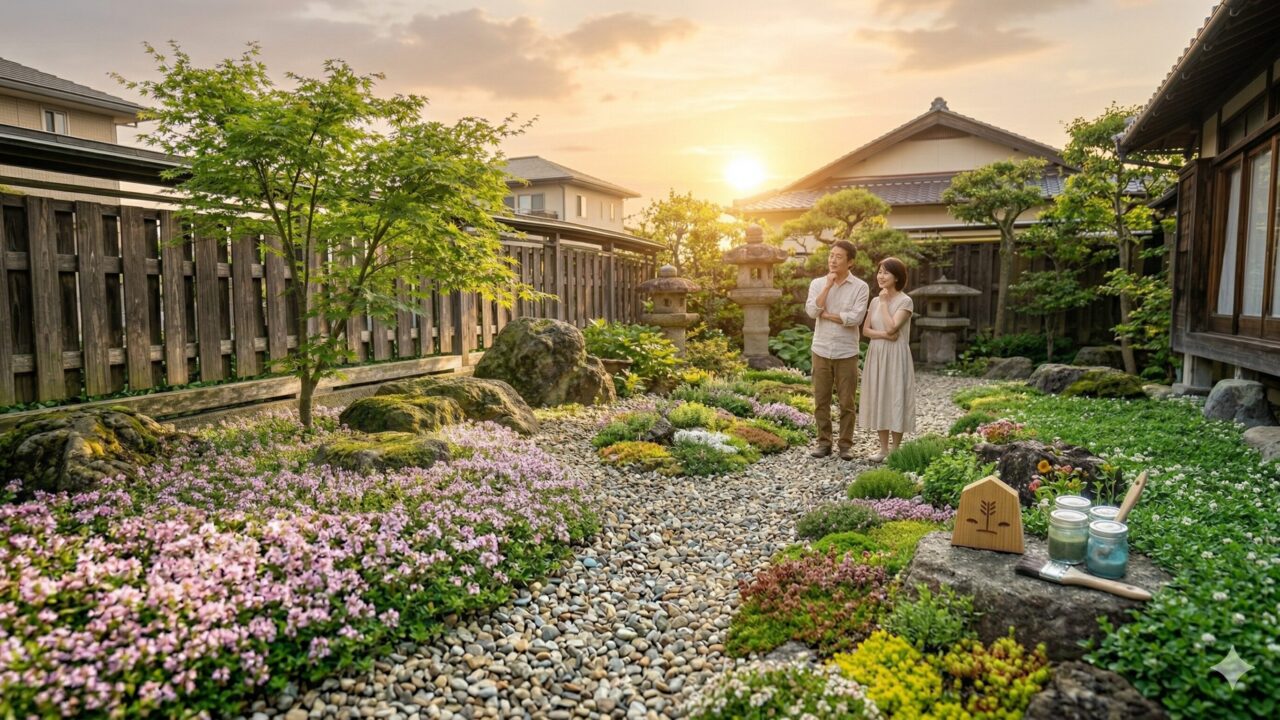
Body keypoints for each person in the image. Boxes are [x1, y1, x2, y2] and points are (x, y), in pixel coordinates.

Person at [805, 240, 869, 460]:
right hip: (821, 348)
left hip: (846, 352)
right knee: (820, 400)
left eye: (838, 256)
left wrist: (830, 316)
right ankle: (824, 443)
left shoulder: (860, 287)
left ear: (850, 262)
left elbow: (855, 318)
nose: (832, 260)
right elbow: (813, 311)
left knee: (847, 402)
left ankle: (845, 445)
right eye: (831, 255)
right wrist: (827, 287)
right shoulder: (817, 283)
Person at [859, 256, 916, 462]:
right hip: (877, 352)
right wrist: (884, 335)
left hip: (896, 356)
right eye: (879, 272)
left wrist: (883, 303)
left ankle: (895, 449)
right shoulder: (873, 301)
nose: (880, 276)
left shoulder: (905, 301)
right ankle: (882, 449)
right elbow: (865, 330)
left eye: (886, 272)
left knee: (895, 397)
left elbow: (893, 326)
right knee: (879, 397)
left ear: (897, 277)